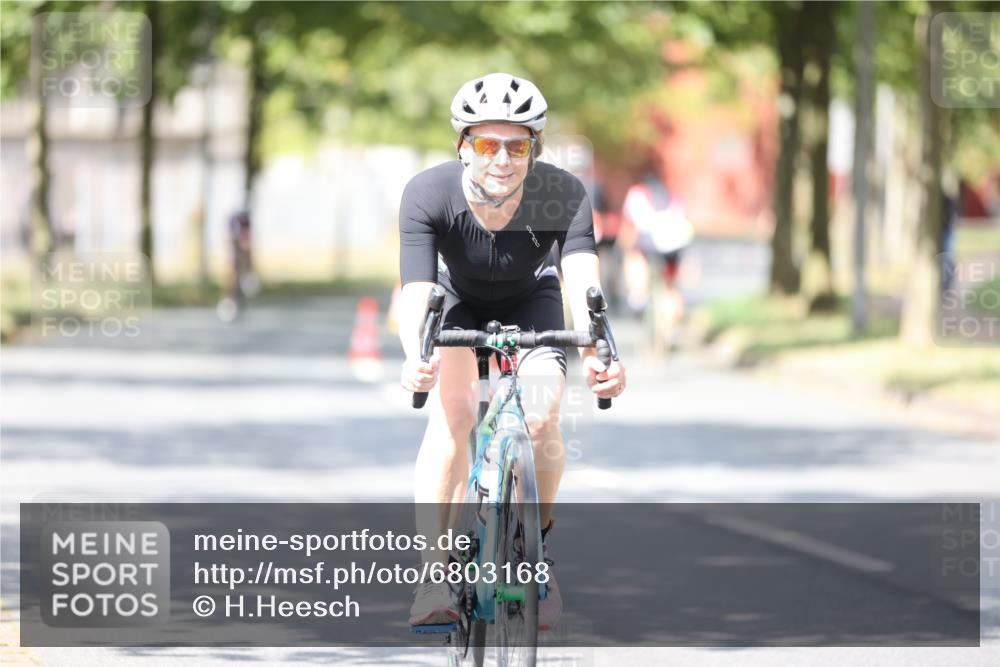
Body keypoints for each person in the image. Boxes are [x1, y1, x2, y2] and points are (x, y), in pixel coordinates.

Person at [397, 73, 627, 629]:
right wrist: (415, 354)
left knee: (544, 417)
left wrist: (602, 351)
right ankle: (435, 574)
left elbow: (580, 280)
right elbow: (417, 291)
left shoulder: (563, 193)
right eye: (486, 143)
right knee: (453, 416)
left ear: (534, 149)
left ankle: (537, 557)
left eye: (517, 145)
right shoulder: (428, 193)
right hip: (455, 303)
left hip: (534, 300)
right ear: (463, 146)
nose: (501, 157)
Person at [621, 169, 693, 352]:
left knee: (634, 259)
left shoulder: (637, 193)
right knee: (671, 286)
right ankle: (674, 327)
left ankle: (638, 297)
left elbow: (630, 226)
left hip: (648, 242)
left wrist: (626, 248)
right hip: (674, 243)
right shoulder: (672, 194)